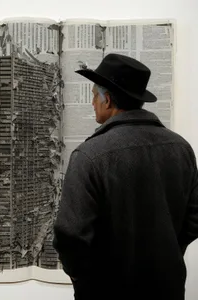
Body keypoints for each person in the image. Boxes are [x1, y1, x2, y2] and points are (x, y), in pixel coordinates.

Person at [53, 53, 198, 300]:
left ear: (107, 100)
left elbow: (70, 236)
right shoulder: (181, 148)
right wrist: (168, 253)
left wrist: (82, 279)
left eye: (93, 96)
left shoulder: (89, 155)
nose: (92, 103)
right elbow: (194, 219)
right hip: (167, 289)